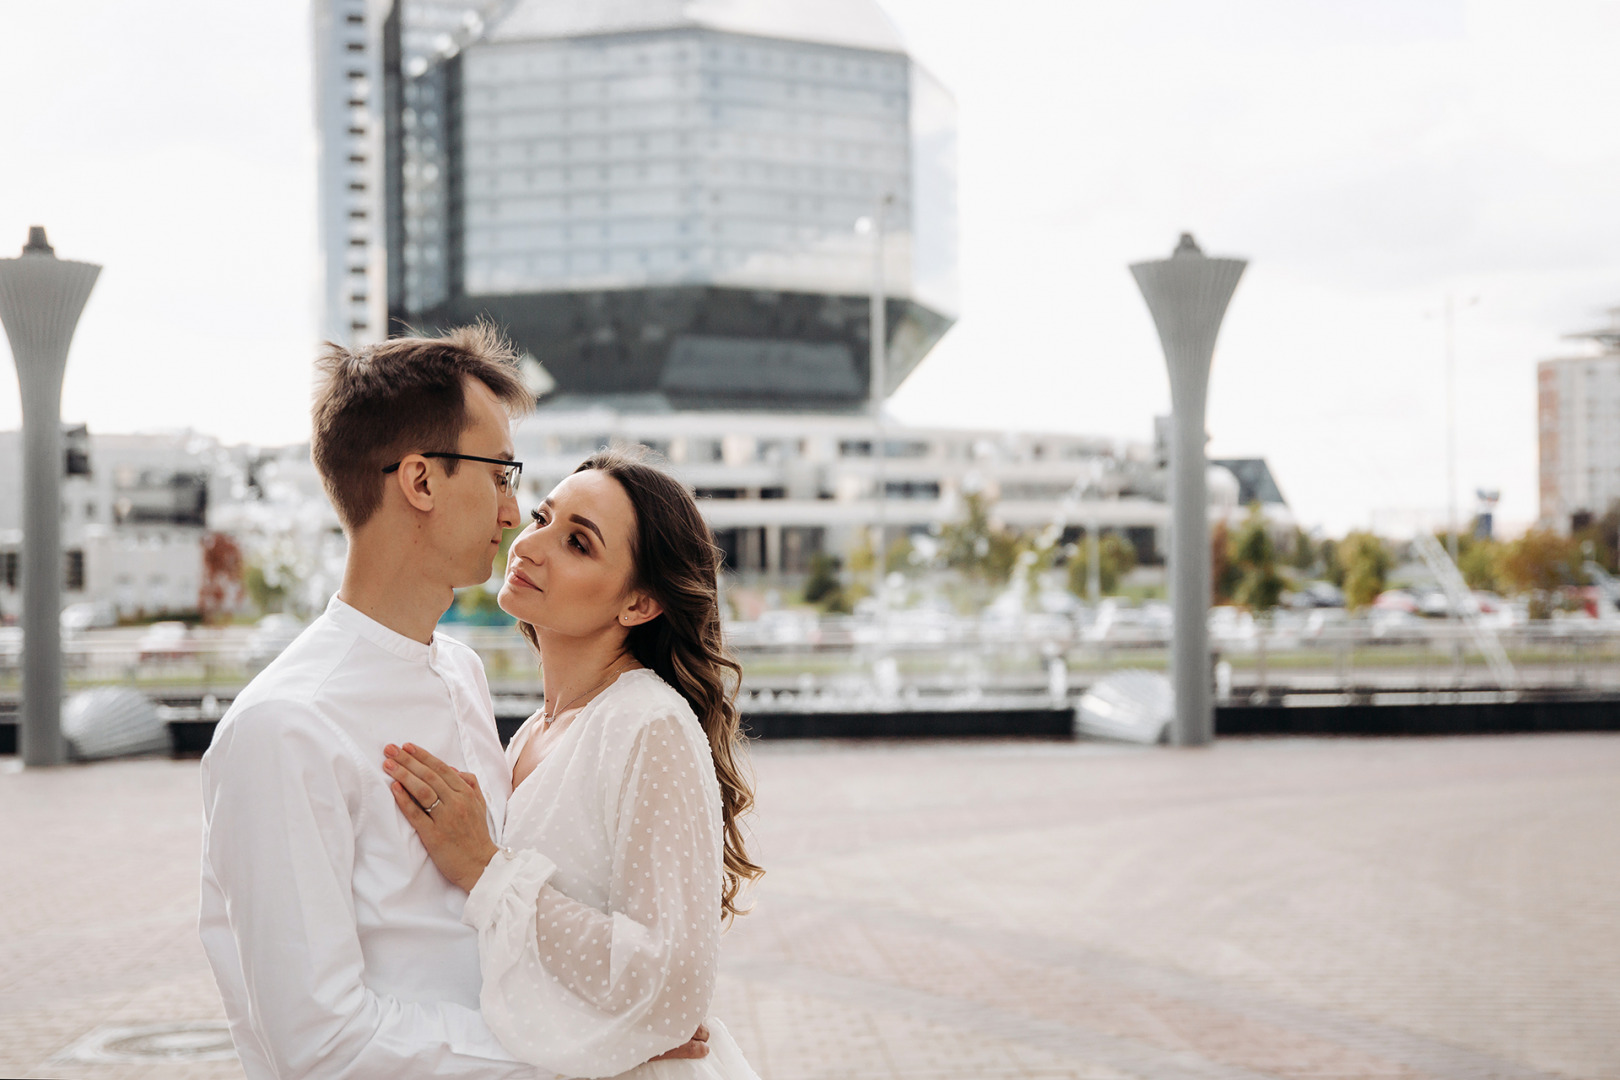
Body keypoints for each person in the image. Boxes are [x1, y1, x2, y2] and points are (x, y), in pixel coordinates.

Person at [198, 328, 707, 1079]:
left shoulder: (465, 676)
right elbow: (320, 1047)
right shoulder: (285, 726)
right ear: (422, 482)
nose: (514, 514)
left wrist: (606, 1019)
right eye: (502, 476)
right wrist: (577, 1052)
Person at [381, 446, 764, 1078]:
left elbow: (673, 982)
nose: (531, 546)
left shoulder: (649, 724)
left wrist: (485, 867)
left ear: (639, 604)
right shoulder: (537, 729)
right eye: (541, 517)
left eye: (579, 544)